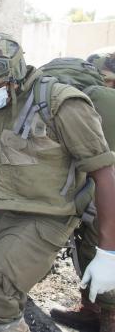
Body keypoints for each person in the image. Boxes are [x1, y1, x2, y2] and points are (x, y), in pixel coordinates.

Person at [0, 33, 115, 332]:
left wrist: (109, 253)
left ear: (14, 75)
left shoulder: (61, 104)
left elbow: (104, 173)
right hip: (7, 207)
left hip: (48, 214)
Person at [49, 51, 115, 331]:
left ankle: (108, 316)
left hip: (105, 181)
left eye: (107, 80)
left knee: (101, 245)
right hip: (95, 180)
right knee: (88, 245)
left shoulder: (102, 99)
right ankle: (92, 310)